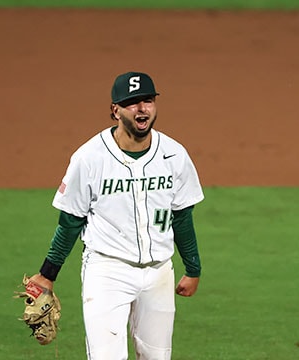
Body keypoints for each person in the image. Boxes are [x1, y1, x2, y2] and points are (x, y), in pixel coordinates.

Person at [29, 71, 204, 359]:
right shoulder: (89, 158)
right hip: (107, 271)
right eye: (132, 102)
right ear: (115, 110)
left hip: (159, 271)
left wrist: (193, 268)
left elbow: (183, 216)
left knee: (156, 357)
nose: (141, 108)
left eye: (147, 100)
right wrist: (48, 274)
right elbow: (71, 221)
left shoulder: (174, 155)